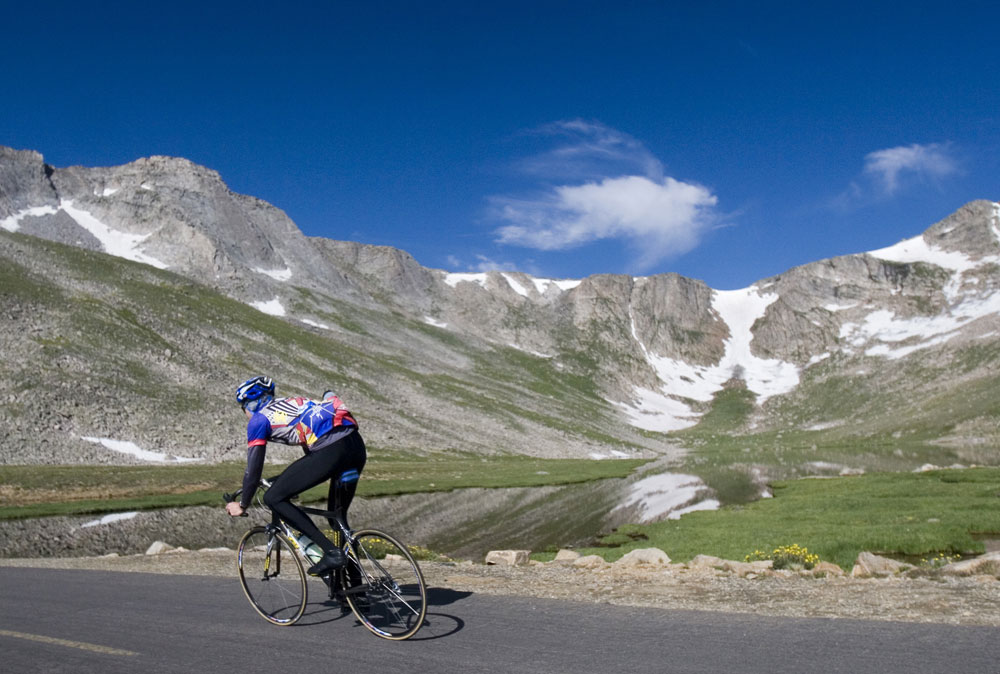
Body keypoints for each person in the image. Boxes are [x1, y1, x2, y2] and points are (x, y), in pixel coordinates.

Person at [225, 375, 367, 576]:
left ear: (252, 404)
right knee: (338, 521)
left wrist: (243, 504)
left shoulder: (259, 419)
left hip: (331, 451)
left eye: (243, 407)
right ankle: (356, 593)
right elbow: (311, 458)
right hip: (356, 447)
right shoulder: (295, 404)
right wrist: (284, 480)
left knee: (273, 497)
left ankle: (331, 553)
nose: (244, 413)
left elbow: (253, 468)